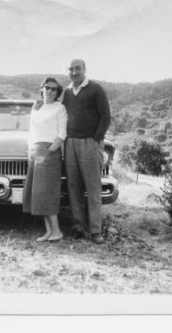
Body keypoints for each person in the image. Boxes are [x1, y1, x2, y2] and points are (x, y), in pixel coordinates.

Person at [62, 59, 111, 244]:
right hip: (70, 143)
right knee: (73, 186)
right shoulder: (67, 92)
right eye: (71, 69)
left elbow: (106, 116)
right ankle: (78, 227)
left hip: (89, 143)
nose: (74, 72)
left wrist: (96, 139)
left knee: (93, 188)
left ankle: (96, 230)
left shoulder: (95, 89)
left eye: (77, 69)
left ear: (84, 69)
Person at [22, 77, 67, 242]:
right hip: (35, 152)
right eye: (46, 87)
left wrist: (49, 151)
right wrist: (30, 152)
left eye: (53, 89)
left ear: (57, 93)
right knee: (39, 193)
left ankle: (57, 231)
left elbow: (62, 134)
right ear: (41, 89)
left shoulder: (60, 108)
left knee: (48, 192)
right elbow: (31, 132)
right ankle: (49, 231)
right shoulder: (36, 107)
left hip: (50, 152)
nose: (49, 91)